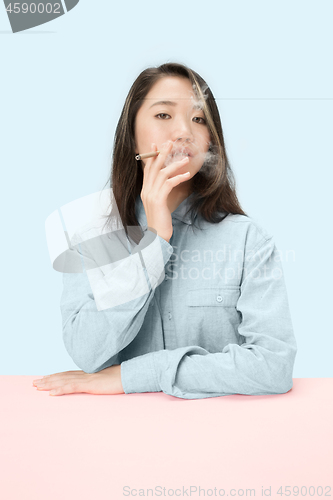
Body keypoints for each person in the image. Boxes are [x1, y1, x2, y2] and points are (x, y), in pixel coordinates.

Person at [33, 62, 297, 399]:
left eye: (198, 119)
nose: (184, 132)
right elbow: (87, 352)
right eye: (163, 115)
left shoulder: (247, 241)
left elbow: (273, 366)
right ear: (132, 136)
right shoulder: (91, 238)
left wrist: (137, 374)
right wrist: (155, 242)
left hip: (224, 438)